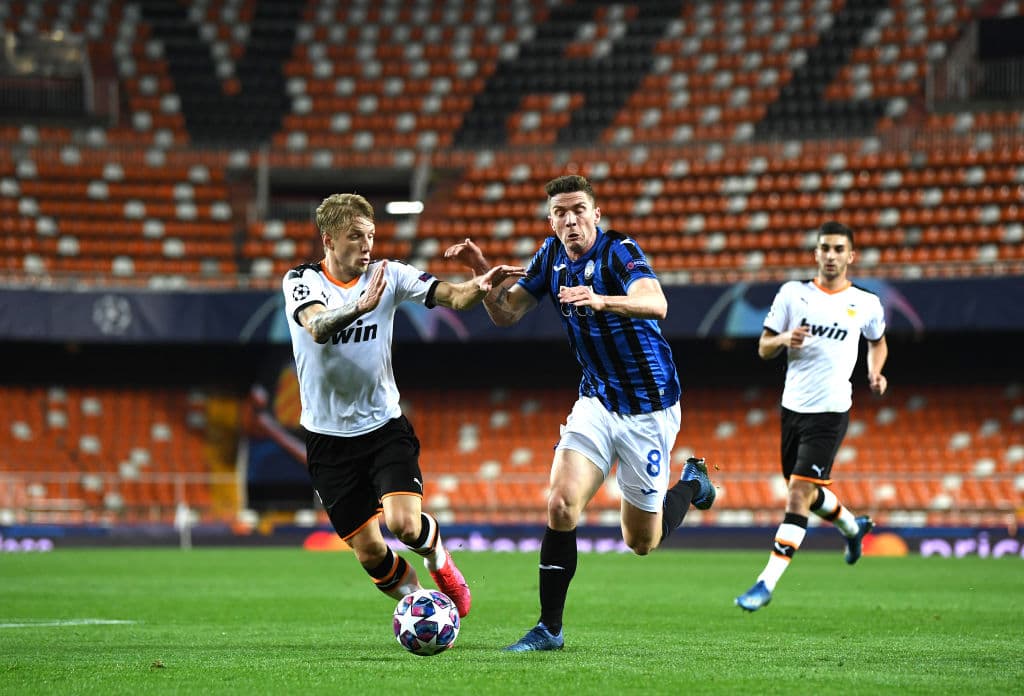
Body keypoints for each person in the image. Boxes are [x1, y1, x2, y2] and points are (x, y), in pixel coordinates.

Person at [444, 174, 715, 651]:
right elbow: (506, 313)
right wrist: (481, 272)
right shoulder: (549, 257)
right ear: (551, 222)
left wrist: (601, 299)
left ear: (596, 214)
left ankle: (693, 483)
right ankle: (550, 628)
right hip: (596, 400)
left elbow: (658, 303)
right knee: (560, 504)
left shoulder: (618, 251)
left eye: (578, 210)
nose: (570, 220)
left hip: (648, 408)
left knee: (641, 541)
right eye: (560, 213)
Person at [282, 192, 525, 618]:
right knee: (370, 551)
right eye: (356, 236)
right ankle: (421, 608)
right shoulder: (301, 280)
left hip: (383, 428)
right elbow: (316, 325)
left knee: (405, 525)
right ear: (329, 240)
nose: (367, 245)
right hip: (327, 439)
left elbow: (451, 296)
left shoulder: (389, 274)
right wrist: (360, 306)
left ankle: (439, 561)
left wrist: (480, 279)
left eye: (371, 236)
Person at [735, 220, 888, 612]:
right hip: (793, 407)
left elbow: (878, 342)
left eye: (839, 249)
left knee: (798, 492)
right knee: (808, 492)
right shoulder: (793, 295)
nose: (832, 255)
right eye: (825, 248)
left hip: (832, 409)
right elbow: (764, 347)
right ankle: (854, 529)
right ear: (815, 254)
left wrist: (874, 371)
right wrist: (785, 339)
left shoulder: (866, 303)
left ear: (851, 256)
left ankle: (764, 583)